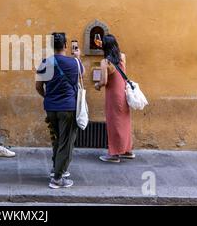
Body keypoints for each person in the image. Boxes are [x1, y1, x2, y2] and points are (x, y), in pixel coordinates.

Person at [35, 33, 83, 189]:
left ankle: (56, 168)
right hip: (68, 108)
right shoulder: (74, 63)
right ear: (66, 45)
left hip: (51, 108)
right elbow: (80, 75)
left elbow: (38, 87)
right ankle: (57, 178)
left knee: (56, 140)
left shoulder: (45, 63)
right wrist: (78, 56)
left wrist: (48, 97)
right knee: (66, 142)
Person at [94, 34, 135, 163]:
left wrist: (97, 85)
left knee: (114, 123)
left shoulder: (105, 62)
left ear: (104, 46)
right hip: (123, 93)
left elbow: (104, 81)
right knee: (124, 122)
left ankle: (114, 154)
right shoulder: (122, 57)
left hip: (113, 96)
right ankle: (127, 150)